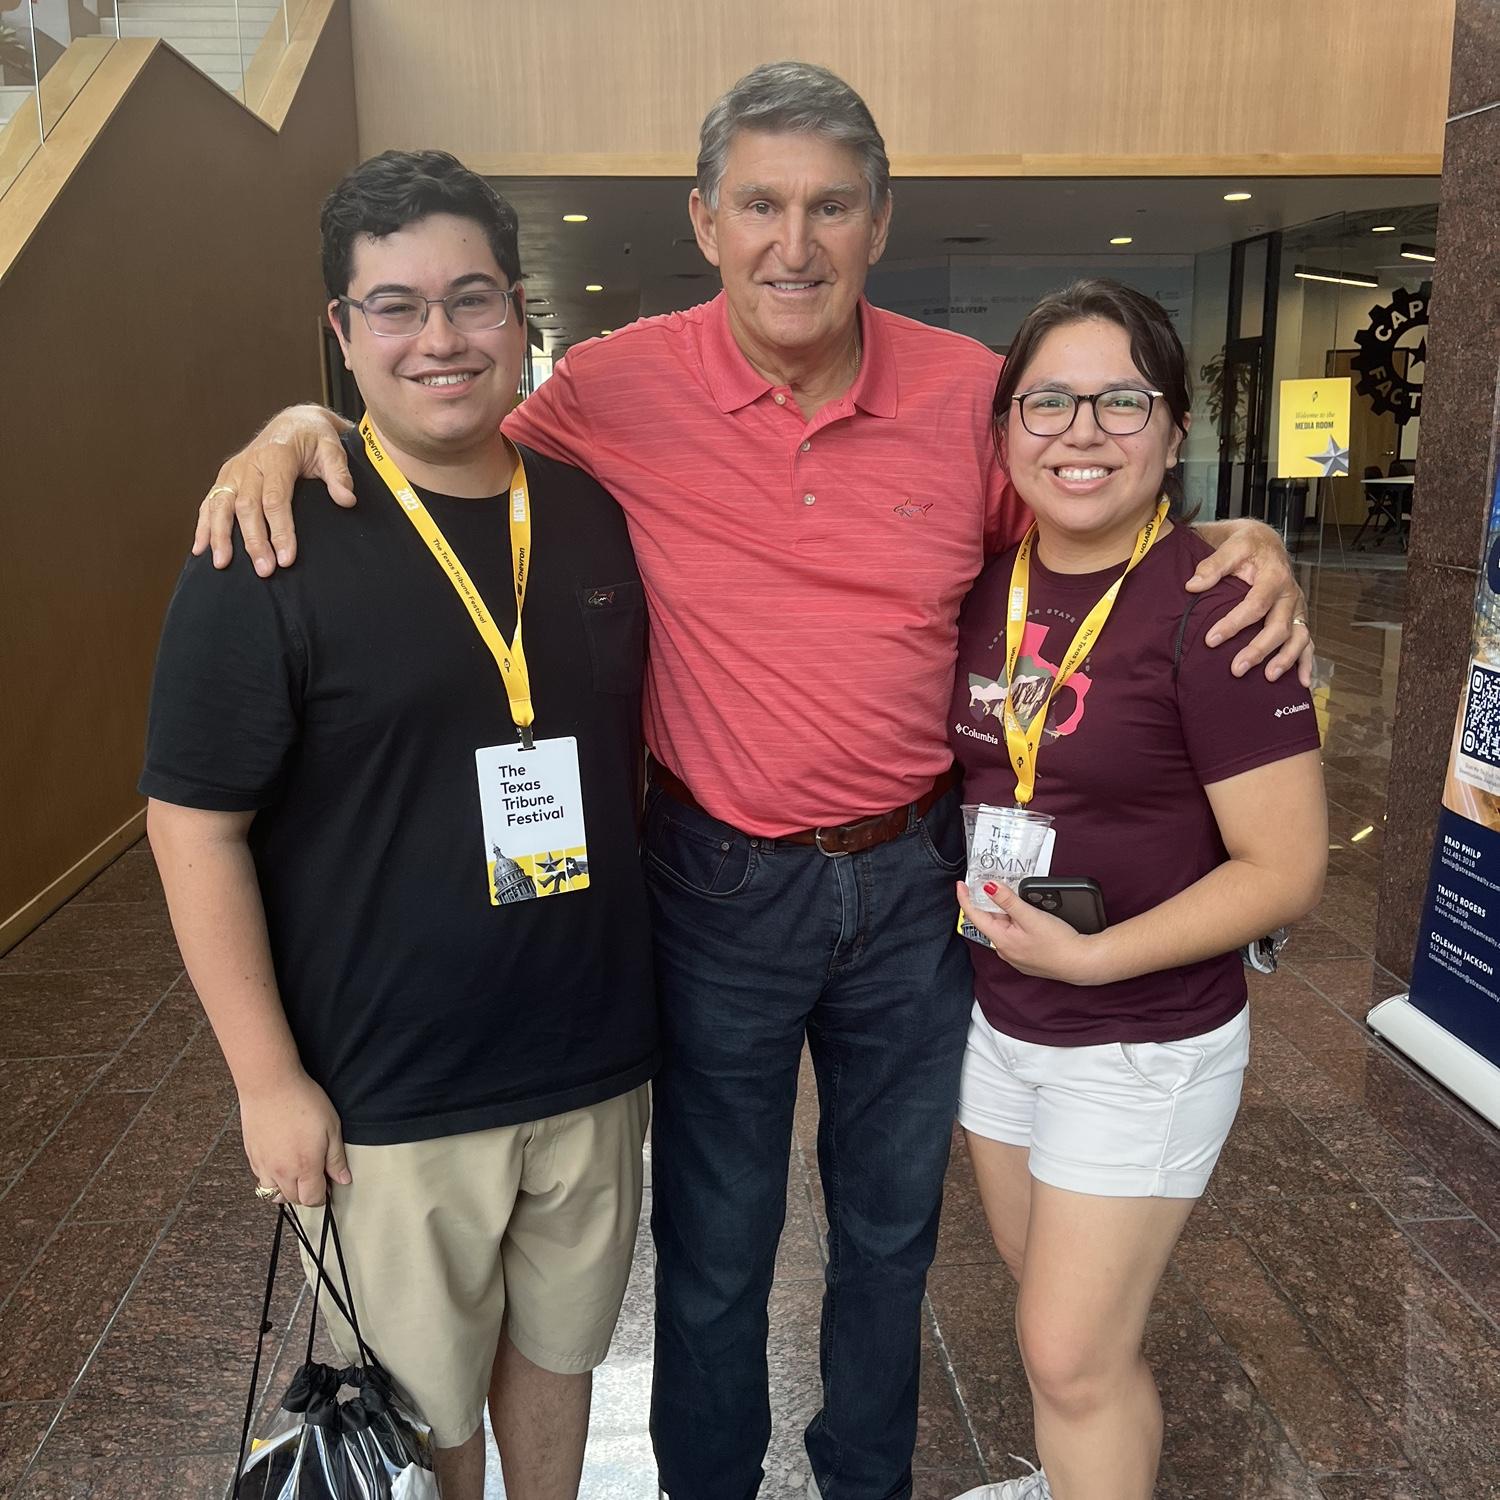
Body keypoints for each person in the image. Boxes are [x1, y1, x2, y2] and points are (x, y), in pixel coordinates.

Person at [190, 65, 1314, 1500]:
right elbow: (439, 431)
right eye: (762, 206)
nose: (796, 244)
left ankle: (865, 1482)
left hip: (919, 881)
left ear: (879, 223)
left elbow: (1082, 525)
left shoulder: (966, 395)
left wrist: (1232, 541)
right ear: (703, 221)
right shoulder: (614, 388)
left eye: (831, 207)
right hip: (715, 881)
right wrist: (301, 423)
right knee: (716, 1245)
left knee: (891, 1236)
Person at [142, 150, 657, 1500]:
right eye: (396, 306)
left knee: (561, 1361)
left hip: (593, 1057)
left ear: (520, 308)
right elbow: (192, 829)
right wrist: (267, 1081)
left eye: (472, 298)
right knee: (422, 1415)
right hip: (389, 1089)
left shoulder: (591, 515)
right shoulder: (270, 542)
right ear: (342, 328)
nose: (441, 338)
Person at [949, 280, 1327, 1500]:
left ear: (1174, 430)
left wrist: (1095, 958)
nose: (1083, 431)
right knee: (1059, 1322)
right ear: (1006, 429)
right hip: (1004, 1020)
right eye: (1049, 401)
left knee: (1071, 1354)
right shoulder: (984, 586)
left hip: (1141, 1042)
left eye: (1122, 401)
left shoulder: (1217, 604)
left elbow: (1286, 869)